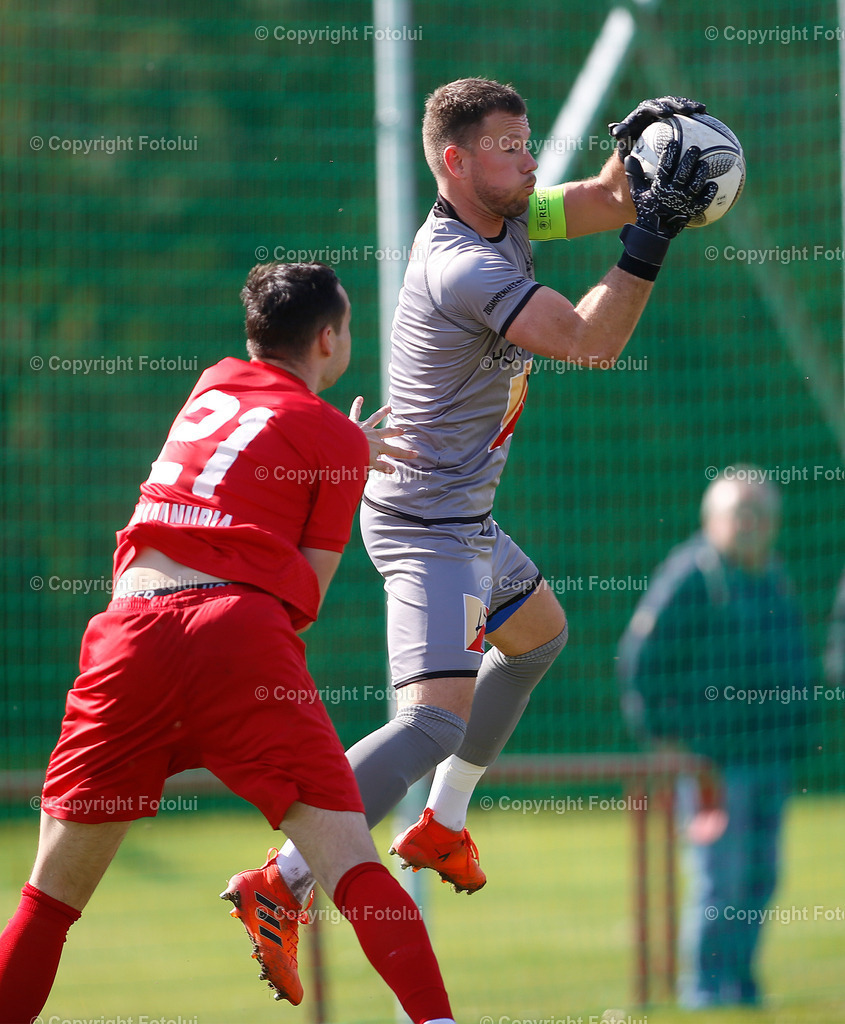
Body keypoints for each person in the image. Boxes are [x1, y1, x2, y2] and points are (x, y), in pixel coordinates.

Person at [248, 78, 717, 986]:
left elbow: (602, 198)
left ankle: (444, 822)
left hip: (461, 518)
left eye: (529, 139)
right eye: (509, 145)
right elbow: (590, 341)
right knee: (428, 723)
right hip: (427, 528)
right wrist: (650, 237)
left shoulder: (509, 216)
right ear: (456, 163)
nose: (530, 159)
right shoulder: (465, 262)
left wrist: (649, 145)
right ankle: (285, 876)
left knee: (538, 638)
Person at [0, 262, 457, 1024]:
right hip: (235, 633)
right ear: (327, 339)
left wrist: (340, 450)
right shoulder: (333, 436)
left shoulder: (211, 382)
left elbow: (248, 456)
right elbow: (300, 600)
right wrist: (344, 456)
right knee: (349, 865)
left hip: (128, 634)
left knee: (46, 901)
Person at [617, 469, 816, 1008]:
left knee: (760, 878)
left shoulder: (772, 577)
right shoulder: (691, 576)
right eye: (741, 513)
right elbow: (640, 663)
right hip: (711, 763)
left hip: (768, 758)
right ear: (713, 520)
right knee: (718, 879)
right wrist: (664, 739)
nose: (752, 525)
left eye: (762, 515)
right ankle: (703, 991)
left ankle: (741, 985)